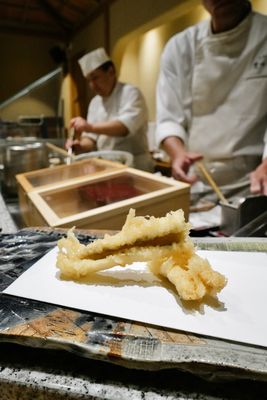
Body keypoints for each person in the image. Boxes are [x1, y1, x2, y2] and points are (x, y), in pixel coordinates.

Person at [156, 0, 267, 195]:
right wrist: (178, 154)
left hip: (254, 184)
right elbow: (168, 119)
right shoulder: (180, 47)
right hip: (197, 181)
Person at [67, 47, 154, 172]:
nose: (92, 85)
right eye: (89, 80)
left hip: (135, 166)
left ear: (111, 71)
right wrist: (80, 146)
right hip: (106, 167)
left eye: (95, 78)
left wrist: (88, 127)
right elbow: (90, 139)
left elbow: (124, 128)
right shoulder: (95, 102)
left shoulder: (131, 93)